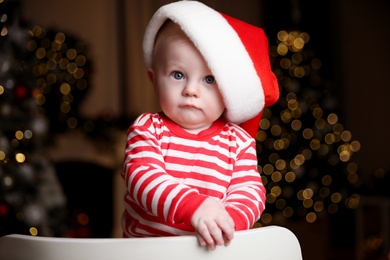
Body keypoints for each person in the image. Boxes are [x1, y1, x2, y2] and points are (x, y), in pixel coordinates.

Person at [121, 0, 279, 251]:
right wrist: (195, 206)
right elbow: (143, 178)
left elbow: (249, 190)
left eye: (208, 79)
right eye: (178, 75)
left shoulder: (238, 142)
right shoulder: (148, 128)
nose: (191, 90)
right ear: (154, 79)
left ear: (229, 89)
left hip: (212, 251)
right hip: (148, 253)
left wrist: (226, 221)